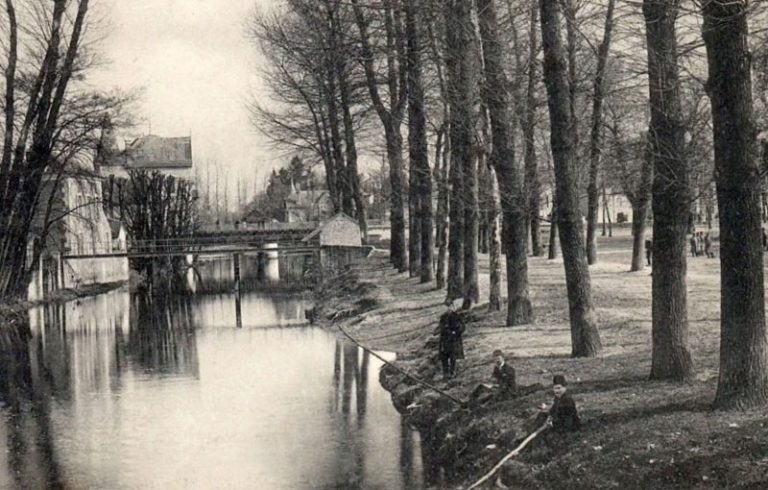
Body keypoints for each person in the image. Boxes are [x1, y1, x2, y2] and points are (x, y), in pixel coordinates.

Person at [438, 301, 465, 379]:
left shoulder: (458, 316)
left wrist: (456, 331)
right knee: (444, 358)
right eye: (447, 307)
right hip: (445, 340)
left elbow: (462, 327)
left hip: (454, 341)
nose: (449, 309)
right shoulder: (443, 317)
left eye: (450, 307)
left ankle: (452, 372)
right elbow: (442, 327)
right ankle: (445, 374)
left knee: (453, 357)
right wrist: (450, 332)